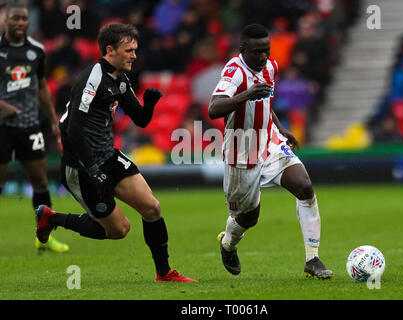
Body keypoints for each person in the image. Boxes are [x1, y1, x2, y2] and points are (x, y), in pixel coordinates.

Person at [35, 23, 196, 282]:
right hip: (81, 166)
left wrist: (151, 104)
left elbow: (141, 120)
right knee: (118, 230)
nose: (134, 55)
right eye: (128, 50)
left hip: (108, 156)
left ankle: (164, 273)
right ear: (110, 50)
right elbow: (72, 127)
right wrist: (92, 168)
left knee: (152, 208)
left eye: (135, 49)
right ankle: (52, 219)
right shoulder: (93, 77)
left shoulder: (120, 79)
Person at [208, 24, 333, 279]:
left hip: (271, 142)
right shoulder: (233, 73)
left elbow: (265, 102)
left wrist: (280, 127)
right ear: (242, 50)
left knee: (304, 186)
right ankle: (228, 244)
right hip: (241, 151)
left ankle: (313, 259)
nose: (263, 56)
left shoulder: (271, 67)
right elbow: (214, 108)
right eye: (256, 52)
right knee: (248, 217)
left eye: (266, 50)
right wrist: (246, 94)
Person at [0, 4, 69, 253]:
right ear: (6, 21)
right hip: (2, 126)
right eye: (15, 18)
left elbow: (41, 86)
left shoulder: (36, 51)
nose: (20, 22)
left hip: (30, 125)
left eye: (24, 19)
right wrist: (3, 106)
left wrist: (52, 118)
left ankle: (45, 237)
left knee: (40, 181)